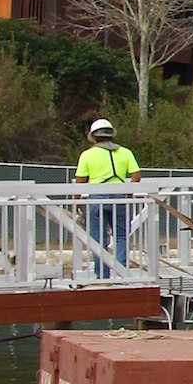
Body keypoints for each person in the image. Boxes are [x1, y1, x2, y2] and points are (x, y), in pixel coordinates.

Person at [74, 117, 141, 277]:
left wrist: (76, 199)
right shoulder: (125, 152)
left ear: (94, 137)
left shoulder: (87, 155)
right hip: (119, 197)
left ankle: (102, 276)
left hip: (96, 198)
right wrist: (129, 193)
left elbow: (80, 180)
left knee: (98, 240)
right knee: (121, 235)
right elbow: (136, 175)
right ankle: (122, 272)